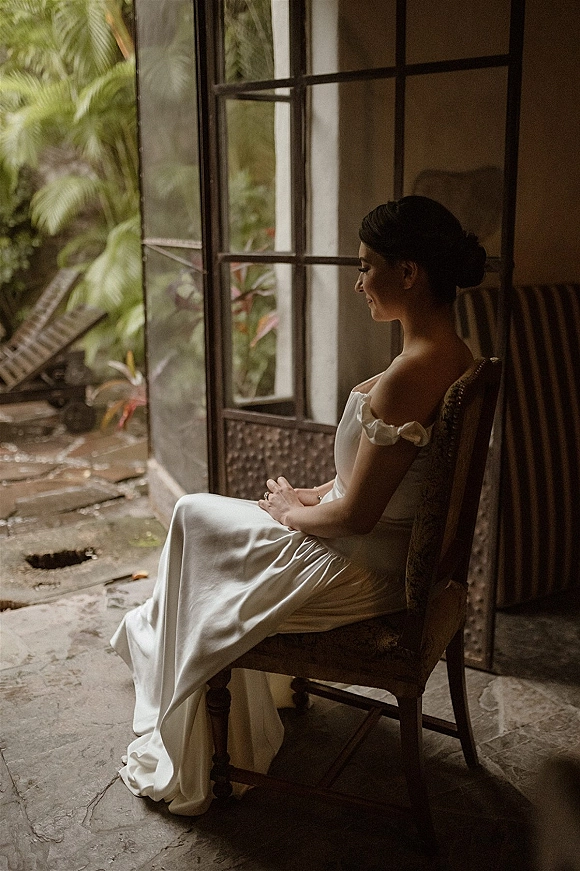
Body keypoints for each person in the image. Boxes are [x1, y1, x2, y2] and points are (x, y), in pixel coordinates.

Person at [111, 195, 487, 815]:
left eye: (367, 267)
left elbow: (357, 517)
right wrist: (313, 494)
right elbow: (387, 486)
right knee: (204, 523)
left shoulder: (410, 374)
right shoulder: (454, 355)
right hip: (374, 547)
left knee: (191, 517)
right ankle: (183, 660)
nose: (360, 282)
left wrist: (289, 510)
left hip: (363, 567)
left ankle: (187, 684)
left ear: (409, 273)